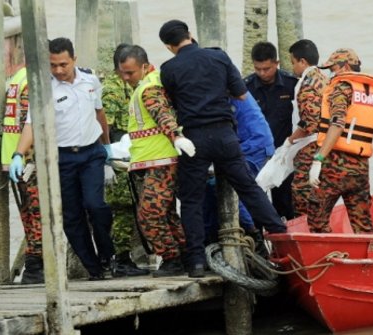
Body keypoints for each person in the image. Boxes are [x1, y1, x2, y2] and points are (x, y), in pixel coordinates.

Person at [158, 19, 286, 278]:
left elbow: (172, 103)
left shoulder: (168, 68)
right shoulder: (218, 57)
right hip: (225, 134)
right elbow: (240, 94)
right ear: (190, 35)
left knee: (191, 200)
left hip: (193, 139)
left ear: (169, 46)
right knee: (248, 188)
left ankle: (195, 262)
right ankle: (281, 236)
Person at [10, 37, 115, 280]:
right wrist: (18, 154)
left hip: (91, 154)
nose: (58, 70)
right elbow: (32, 125)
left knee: (95, 205)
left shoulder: (90, 79)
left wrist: (107, 147)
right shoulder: (43, 88)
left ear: (74, 60)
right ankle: (94, 269)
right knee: (71, 217)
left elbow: (100, 113)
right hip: (62, 158)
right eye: (53, 65)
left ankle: (107, 254)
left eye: (63, 65)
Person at [118, 44, 189, 277]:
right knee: (167, 213)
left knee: (149, 214)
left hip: (161, 161)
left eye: (130, 73)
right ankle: (184, 254)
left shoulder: (149, 89)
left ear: (145, 66)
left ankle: (171, 258)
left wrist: (176, 136)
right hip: (155, 160)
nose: (126, 78)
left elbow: (162, 115)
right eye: (122, 73)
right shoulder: (150, 83)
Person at [308, 48, 373, 233]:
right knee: (362, 225)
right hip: (361, 169)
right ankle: (364, 259)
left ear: (345, 66)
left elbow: (337, 124)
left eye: (332, 69)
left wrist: (318, 159)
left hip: (334, 165)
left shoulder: (341, 88)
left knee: (318, 219)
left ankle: (328, 257)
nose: (331, 74)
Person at [203, 92, 274, 257]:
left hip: (252, 145)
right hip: (245, 143)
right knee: (210, 188)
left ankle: (254, 240)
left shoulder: (219, 90)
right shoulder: (221, 84)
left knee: (237, 188)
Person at [101, 43, 150, 277]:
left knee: (131, 208)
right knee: (123, 209)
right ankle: (120, 260)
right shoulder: (111, 90)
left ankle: (124, 257)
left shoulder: (130, 86)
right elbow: (106, 126)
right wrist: (110, 155)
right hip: (117, 155)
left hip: (130, 152)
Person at [244, 41, 298, 221]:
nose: (262, 73)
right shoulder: (246, 88)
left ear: (276, 63)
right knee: (255, 202)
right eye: (258, 69)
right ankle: (257, 240)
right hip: (256, 154)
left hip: (284, 152)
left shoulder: (292, 85)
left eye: (267, 68)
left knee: (285, 202)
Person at [1, 66, 44, 284]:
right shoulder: (32, 81)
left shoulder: (18, 77)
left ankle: (34, 266)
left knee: (29, 214)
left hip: (15, 158)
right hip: (29, 159)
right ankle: (35, 267)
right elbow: (30, 123)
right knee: (39, 215)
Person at [286, 39, 328, 217]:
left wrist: (291, 139)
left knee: (302, 191)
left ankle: (305, 228)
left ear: (302, 61)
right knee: (320, 190)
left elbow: (309, 122)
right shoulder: (324, 79)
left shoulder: (307, 84)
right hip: (325, 144)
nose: (293, 68)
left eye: (293, 62)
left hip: (310, 145)